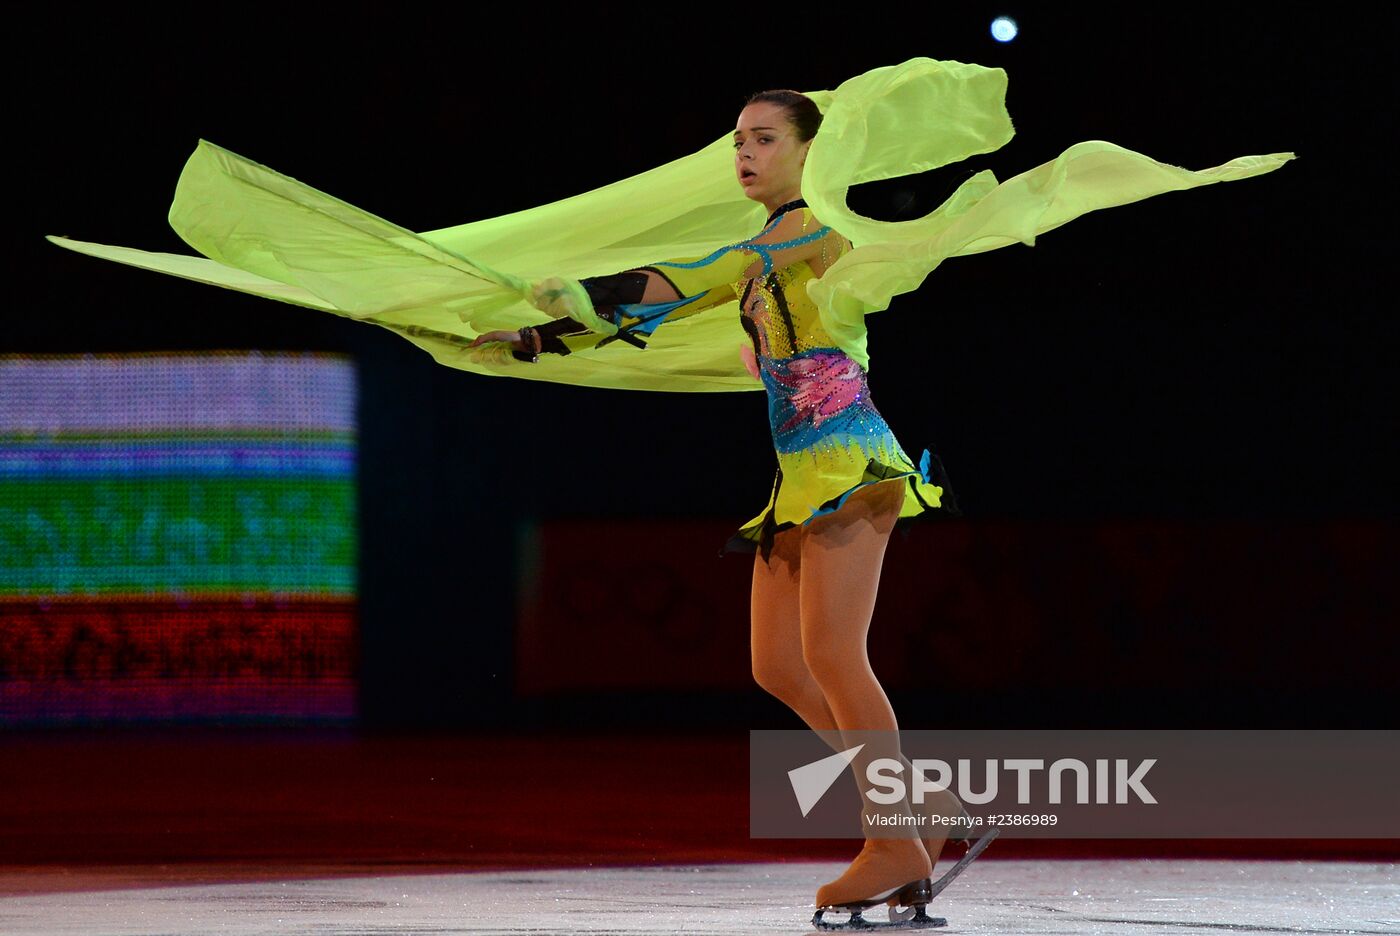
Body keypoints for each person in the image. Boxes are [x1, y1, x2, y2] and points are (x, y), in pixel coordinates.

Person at [469, 89, 980, 918]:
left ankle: (892, 840)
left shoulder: (817, 228)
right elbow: (671, 296)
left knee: (835, 656)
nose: (744, 153)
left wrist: (588, 291)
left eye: (765, 139)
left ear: (812, 151)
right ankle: (919, 803)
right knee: (777, 665)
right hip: (799, 472)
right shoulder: (765, 242)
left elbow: (698, 275)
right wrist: (535, 337)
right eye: (738, 140)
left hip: (850, 457)